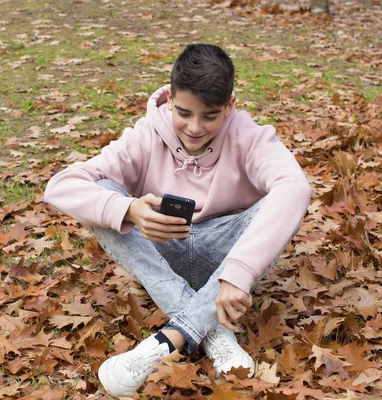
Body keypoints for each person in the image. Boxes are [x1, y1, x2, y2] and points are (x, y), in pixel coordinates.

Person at [44, 44, 311, 398]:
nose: (195, 127)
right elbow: (60, 185)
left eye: (210, 115)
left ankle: (171, 337)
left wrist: (238, 273)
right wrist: (130, 210)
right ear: (169, 98)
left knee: (282, 201)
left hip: (224, 257)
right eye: (184, 112)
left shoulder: (248, 136)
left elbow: (295, 186)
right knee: (104, 199)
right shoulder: (145, 135)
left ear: (229, 106)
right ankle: (210, 330)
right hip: (162, 251)